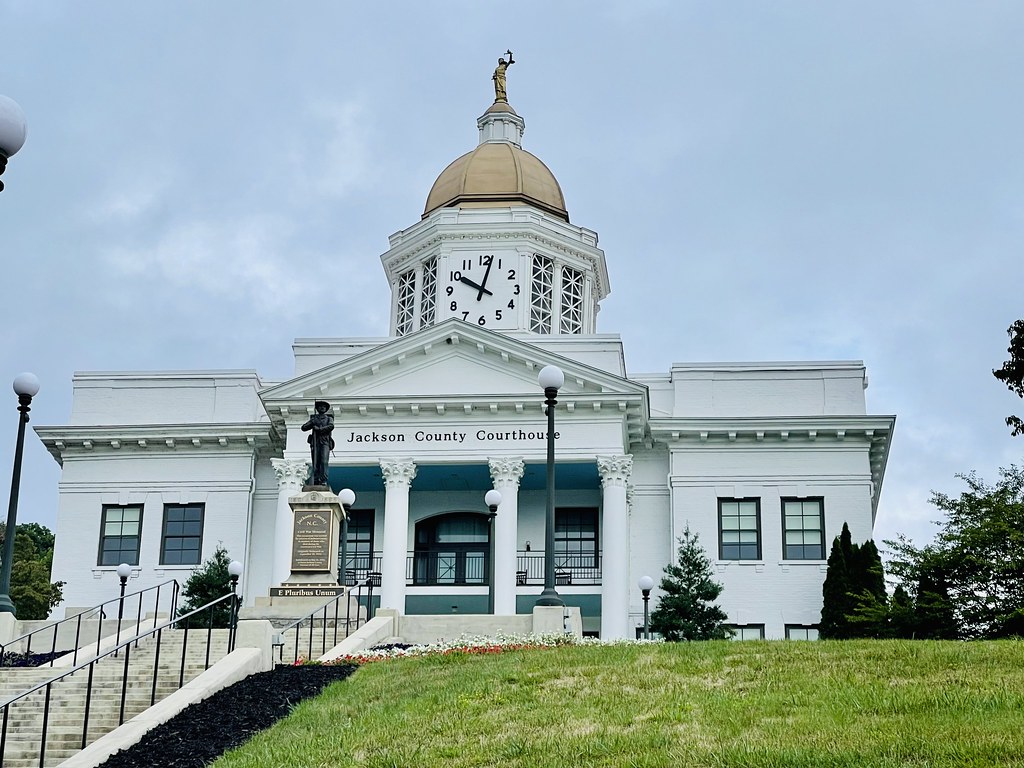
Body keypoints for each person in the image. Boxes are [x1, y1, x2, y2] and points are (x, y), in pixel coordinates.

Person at [301, 400, 334, 487]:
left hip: (325, 442)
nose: (322, 407)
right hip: (315, 443)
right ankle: (316, 479)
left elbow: (331, 426)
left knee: (324, 461)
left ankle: (323, 479)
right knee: (316, 461)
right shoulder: (314, 419)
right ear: (317, 408)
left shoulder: (328, 419)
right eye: (320, 406)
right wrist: (312, 423)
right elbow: (303, 427)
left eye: (324, 406)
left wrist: (319, 429)